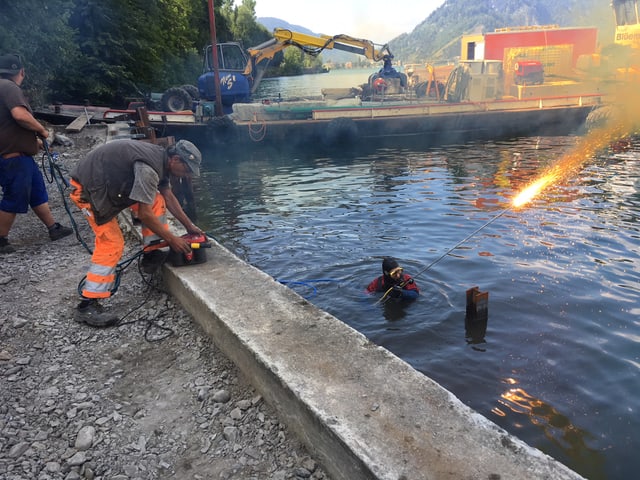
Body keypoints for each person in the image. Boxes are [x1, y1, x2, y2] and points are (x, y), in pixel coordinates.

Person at [70, 138, 205, 327]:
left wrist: (189, 227)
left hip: (110, 184)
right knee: (112, 243)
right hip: (88, 190)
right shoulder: (150, 169)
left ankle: (152, 253)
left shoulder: (162, 161)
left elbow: (168, 196)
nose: (188, 175)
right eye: (187, 169)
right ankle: (87, 304)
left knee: (157, 200)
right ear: (176, 160)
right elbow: (144, 214)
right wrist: (172, 239)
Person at [0, 53, 73, 253]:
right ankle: (1, 238)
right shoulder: (9, 87)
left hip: (20, 155)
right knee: (15, 195)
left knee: (36, 191)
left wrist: (36, 143)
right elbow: (19, 115)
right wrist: (42, 131)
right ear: (21, 72)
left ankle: (53, 228)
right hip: (13, 157)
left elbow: (8, 125)